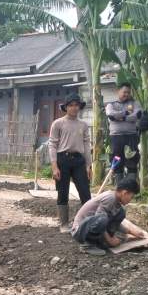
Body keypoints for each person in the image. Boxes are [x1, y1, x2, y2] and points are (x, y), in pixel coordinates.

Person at [49, 93, 92, 233]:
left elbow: (87, 145)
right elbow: (52, 145)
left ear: (79, 107)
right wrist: (54, 166)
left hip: (79, 160)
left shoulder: (83, 125)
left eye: (76, 105)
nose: (74, 108)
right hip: (63, 159)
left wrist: (88, 165)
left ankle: (87, 222)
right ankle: (64, 223)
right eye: (71, 105)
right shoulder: (58, 123)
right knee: (63, 192)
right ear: (66, 107)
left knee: (85, 192)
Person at [71, 177, 147, 255]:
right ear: (124, 193)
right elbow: (100, 220)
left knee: (120, 213)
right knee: (103, 218)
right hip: (79, 231)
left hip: (90, 227)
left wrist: (132, 232)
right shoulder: (110, 198)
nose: (130, 200)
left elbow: (113, 222)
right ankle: (87, 245)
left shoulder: (115, 201)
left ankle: (99, 242)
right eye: (131, 197)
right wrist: (110, 240)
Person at [104, 83, 146, 183]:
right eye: (124, 92)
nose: (126, 94)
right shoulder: (111, 105)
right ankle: (119, 187)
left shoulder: (134, 103)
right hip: (116, 138)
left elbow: (137, 115)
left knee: (132, 160)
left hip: (131, 137)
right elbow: (111, 115)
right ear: (118, 91)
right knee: (117, 161)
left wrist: (120, 118)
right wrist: (126, 113)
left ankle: (130, 188)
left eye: (128, 92)